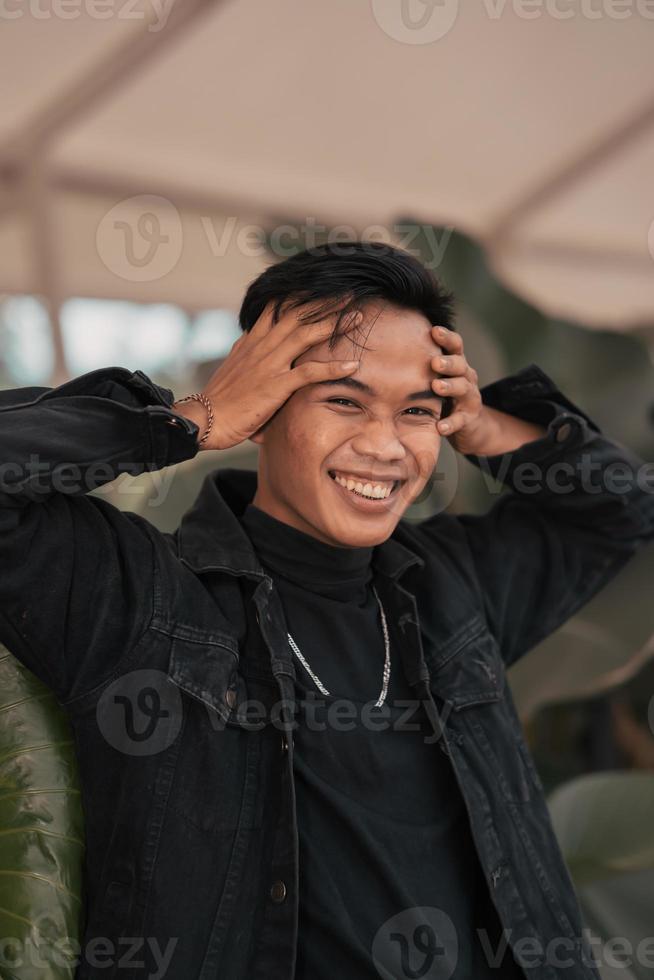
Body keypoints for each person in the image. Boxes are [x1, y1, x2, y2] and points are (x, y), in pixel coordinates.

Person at [1, 241, 652, 979]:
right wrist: (189, 420)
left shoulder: (455, 587)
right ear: (266, 401)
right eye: (345, 400)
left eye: (416, 411)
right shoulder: (137, 595)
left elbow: (620, 509)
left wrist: (487, 428)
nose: (384, 445)